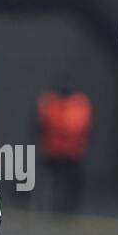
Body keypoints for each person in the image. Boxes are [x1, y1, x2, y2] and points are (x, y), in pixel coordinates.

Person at [37, 82, 91, 213]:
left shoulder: (78, 105)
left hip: (71, 153)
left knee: (72, 182)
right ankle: (52, 207)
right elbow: (40, 126)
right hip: (54, 152)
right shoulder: (51, 104)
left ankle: (70, 208)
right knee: (54, 181)